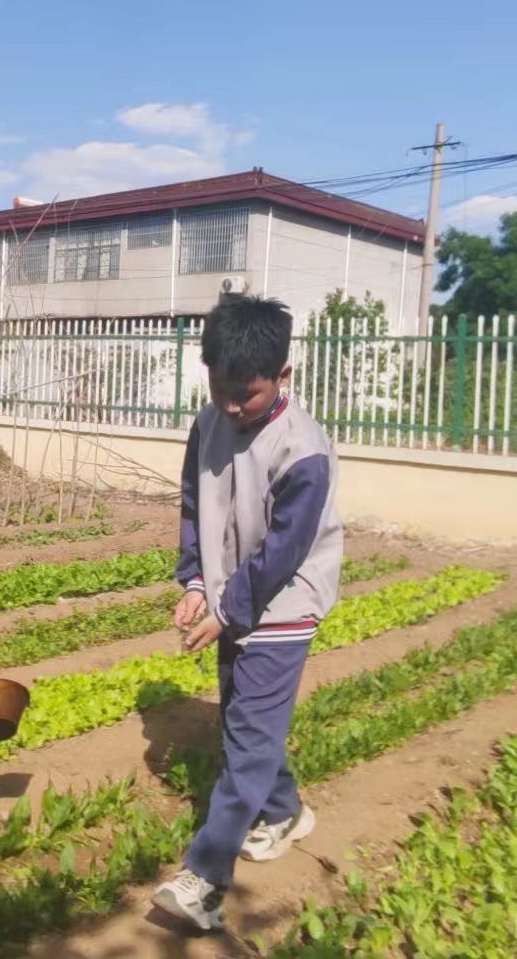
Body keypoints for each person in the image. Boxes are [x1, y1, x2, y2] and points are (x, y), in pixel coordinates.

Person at [153, 294, 344, 933]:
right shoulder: (208, 423)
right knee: (245, 720)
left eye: (248, 395)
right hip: (231, 598)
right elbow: (193, 504)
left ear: (282, 375)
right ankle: (284, 810)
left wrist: (229, 609)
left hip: (284, 604)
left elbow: (283, 551)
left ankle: (205, 879)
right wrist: (194, 581)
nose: (233, 407)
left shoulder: (303, 449)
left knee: (248, 737)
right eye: (221, 390)